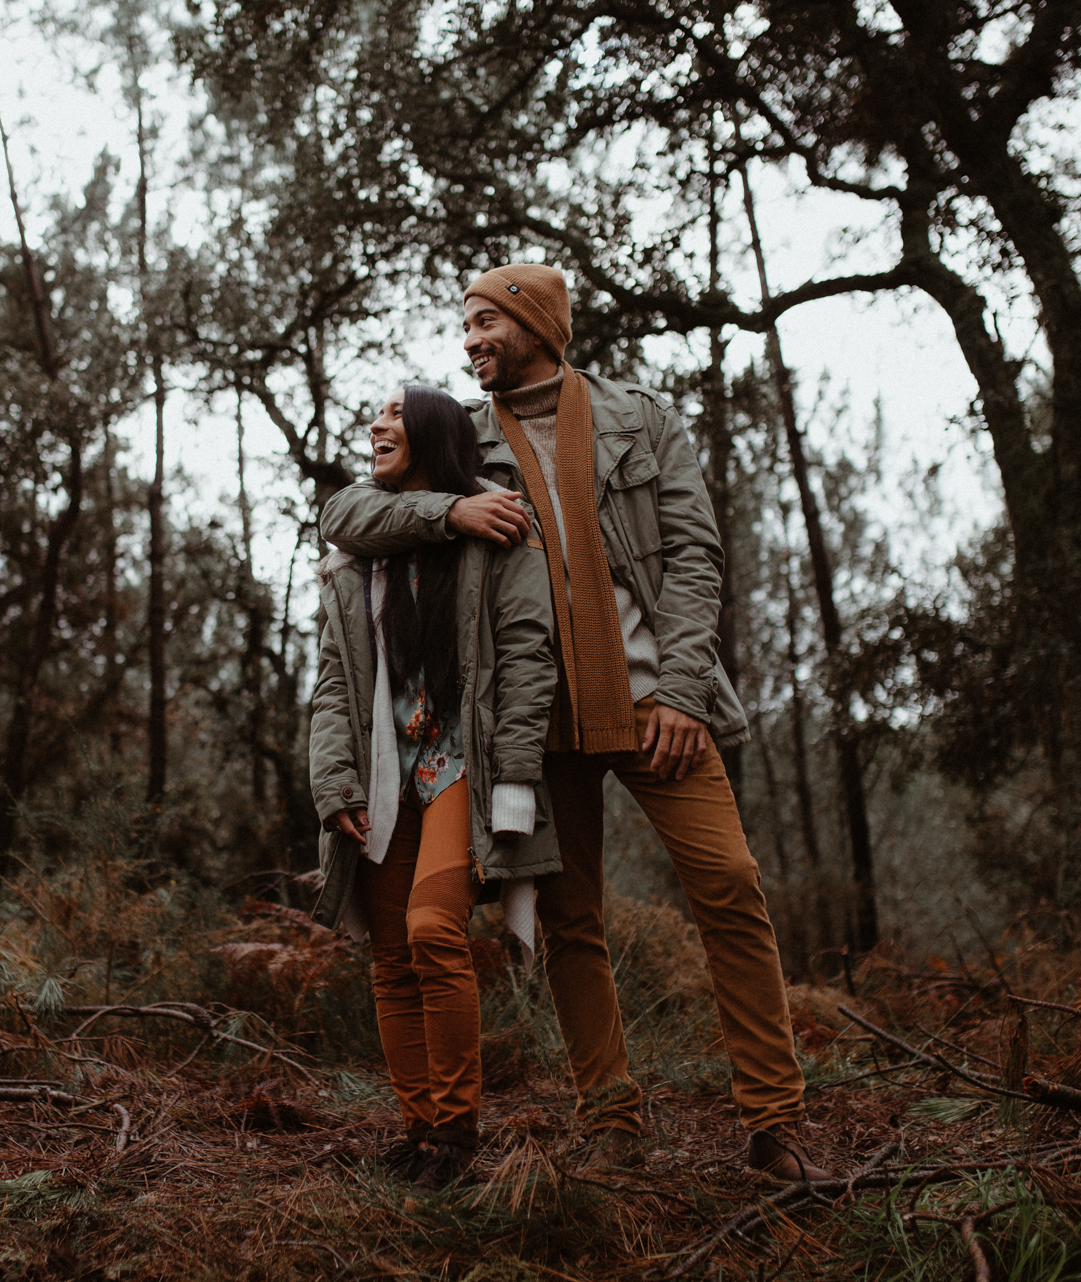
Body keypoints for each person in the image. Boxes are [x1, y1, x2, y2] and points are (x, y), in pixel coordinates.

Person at [318, 265, 830, 1182]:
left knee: (730, 886)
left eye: (486, 321)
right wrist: (450, 506)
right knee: (570, 921)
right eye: (463, 325)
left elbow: (696, 559)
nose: (470, 339)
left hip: (654, 704)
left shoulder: (642, 418)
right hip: (531, 726)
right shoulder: (461, 437)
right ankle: (613, 1124)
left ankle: (774, 1120)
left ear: (536, 322)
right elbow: (350, 513)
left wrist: (679, 690)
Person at [308, 383, 561, 1193]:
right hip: (387, 767)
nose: (377, 423)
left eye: (393, 412)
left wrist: (517, 774)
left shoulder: (504, 530)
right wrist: (333, 782)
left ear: (433, 432)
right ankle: (417, 1131)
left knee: (431, 932)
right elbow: (333, 685)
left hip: (463, 765)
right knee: (388, 958)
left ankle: (454, 1130)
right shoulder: (358, 550)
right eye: (373, 411)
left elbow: (527, 659)